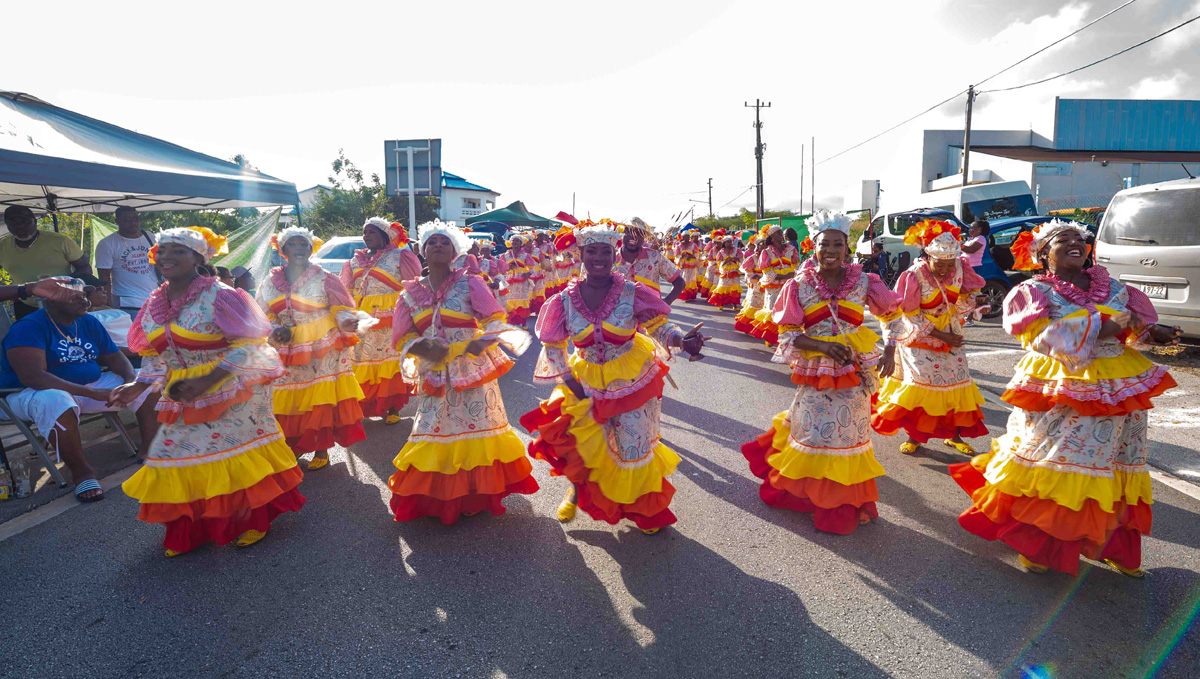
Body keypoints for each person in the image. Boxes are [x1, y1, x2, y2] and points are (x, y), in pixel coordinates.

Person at [949, 220, 1180, 577]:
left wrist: (1152, 333)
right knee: (1060, 462)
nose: (1076, 242)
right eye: (1063, 239)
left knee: (1119, 463)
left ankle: (1110, 545)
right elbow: (1040, 337)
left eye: (1080, 238)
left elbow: (1133, 330)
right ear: (1042, 253)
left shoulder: (1116, 287)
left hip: (1121, 389)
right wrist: (1105, 328)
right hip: (1061, 387)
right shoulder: (1033, 291)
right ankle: (1041, 545)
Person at [121, 227, 303, 557]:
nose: (167, 257)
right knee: (177, 457)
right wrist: (138, 384)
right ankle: (190, 529)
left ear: (198, 258)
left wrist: (208, 380)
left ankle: (252, 520)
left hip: (230, 390)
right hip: (181, 394)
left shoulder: (221, 295)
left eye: (179, 251)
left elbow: (250, 345)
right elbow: (156, 356)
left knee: (234, 456)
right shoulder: (153, 304)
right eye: (163, 250)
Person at [521, 222, 707, 535]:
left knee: (633, 445)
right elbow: (552, 350)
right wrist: (571, 384)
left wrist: (680, 341)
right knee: (580, 443)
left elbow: (660, 326)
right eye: (591, 251)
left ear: (614, 253)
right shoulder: (563, 301)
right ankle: (577, 493)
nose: (598, 257)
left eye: (605, 251)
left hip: (629, 379)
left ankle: (644, 510)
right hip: (582, 381)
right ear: (580, 253)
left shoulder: (632, 293)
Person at [741, 211, 902, 534]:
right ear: (812, 246)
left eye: (838, 244)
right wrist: (823, 347)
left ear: (847, 248)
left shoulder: (864, 281)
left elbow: (892, 315)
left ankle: (845, 502)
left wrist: (889, 349)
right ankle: (814, 497)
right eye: (823, 243)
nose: (830, 249)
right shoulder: (798, 285)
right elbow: (787, 335)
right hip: (818, 371)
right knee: (816, 433)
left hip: (855, 371)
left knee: (849, 435)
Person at [386, 221, 538, 523]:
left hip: (471, 371)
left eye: (445, 242)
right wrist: (423, 349)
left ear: (455, 251)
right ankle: (435, 495)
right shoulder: (408, 295)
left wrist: (482, 342)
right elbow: (400, 338)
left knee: (474, 428)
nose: (438, 247)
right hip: (434, 373)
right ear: (421, 251)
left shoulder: (470, 283)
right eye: (432, 243)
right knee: (433, 430)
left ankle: (474, 494)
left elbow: (495, 317)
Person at [0, 276, 159, 502]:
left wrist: (130, 380)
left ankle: (149, 449)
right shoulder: (28, 328)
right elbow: (34, 377)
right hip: (28, 392)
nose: (84, 300)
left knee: (148, 381)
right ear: (52, 301)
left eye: (84, 295)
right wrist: (93, 393)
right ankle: (82, 474)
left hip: (88, 387)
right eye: (75, 297)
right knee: (55, 400)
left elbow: (115, 357)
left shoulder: (88, 322)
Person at [871, 220, 989, 456]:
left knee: (955, 385)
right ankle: (915, 437)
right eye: (940, 264)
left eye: (949, 264)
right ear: (927, 256)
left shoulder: (959, 268)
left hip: (952, 336)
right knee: (921, 389)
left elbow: (963, 298)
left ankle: (953, 436)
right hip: (920, 339)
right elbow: (910, 314)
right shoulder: (913, 276)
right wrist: (939, 334)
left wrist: (977, 302)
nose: (945, 270)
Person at [258, 227, 370, 471]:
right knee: (288, 396)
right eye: (293, 244)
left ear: (310, 249)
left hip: (323, 344)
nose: (299, 249)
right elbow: (262, 312)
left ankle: (322, 448)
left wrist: (346, 321)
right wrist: (275, 328)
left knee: (320, 396)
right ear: (283, 249)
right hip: (286, 346)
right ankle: (292, 445)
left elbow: (340, 308)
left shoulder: (325, 277)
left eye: (304, 245)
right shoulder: (269, 282)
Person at [340, 218, 423, 425]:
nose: (367, 236)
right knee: (362, 361)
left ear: (384, 236)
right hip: (362, 319)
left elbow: (413, 286)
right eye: (365, 232)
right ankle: (364, 405)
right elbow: (347, 290)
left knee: (391, 361)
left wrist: (416, 316)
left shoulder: (400, 255)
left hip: (392, 316)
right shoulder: (353, 261)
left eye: (372, 232)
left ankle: (393, 407)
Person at [0, 206, 92, 319]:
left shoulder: (60, 241)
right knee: (30, 335)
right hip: (25, 305)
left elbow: (84, 267)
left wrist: (66, 285)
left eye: (25, 222)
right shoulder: (2, 247)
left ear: (35, 221)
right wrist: (10, 291)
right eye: (14, 223)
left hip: (63, 303)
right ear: (7, 225)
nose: (20, 227)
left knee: (65, 335)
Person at [96, 206, 158, 318]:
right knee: (133, 335)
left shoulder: (149, 236)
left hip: (153, 298)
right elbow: (104, 276)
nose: (132, 223)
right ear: (117, 221)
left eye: (135, 219)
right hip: (127, 301)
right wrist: (108, 303)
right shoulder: (107, 243)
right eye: (127, 220)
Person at [613, 218, 685, 303]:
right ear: (622, 234)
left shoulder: (655, 257)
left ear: (644, 238)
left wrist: (665, 303)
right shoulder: (611, 260)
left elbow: (680, 282)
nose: (634, 235)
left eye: (639, 233)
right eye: (629, 231)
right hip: (618, 314)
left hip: (651, 316)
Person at [750, 224, 800, 345]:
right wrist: (784, 276)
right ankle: (771, 337)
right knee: (773, 309)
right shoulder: (766, 252)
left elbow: (795, 265)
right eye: (778, 233)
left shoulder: (791, 249)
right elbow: (766, 271)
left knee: (788, 308)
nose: (781, 235)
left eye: (781, 232)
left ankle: (787, 336)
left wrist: (794, 277)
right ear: (771, 237)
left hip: (788, 285)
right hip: (773, 285)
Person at [734, 238, 767, 334]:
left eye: (766, 244)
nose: (764, 246)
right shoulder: (753, 258)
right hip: (756, 285)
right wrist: (754, 276)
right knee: (754, 303)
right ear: (758, 246)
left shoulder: (770, 256)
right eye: (762, 244)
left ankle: (761, 329)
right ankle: (748, 327)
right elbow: (746, 271)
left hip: (768, 285)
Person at [501, 234, 532, 325]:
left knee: (522, 301)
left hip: (522, 282)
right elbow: (501, 269)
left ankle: (523, 322)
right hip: (509, 281)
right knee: (510, 301)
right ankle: (511, 322)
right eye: (513, 241)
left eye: (517, 241)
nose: (514, 242)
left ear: (521, 243)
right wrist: (508, 267)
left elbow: (532, 269)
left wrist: (527, 274)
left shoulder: (525, 255)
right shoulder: (505, 255)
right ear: (510, 243)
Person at [708, 235, 743, 311]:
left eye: (730, 242)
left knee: (735, 288)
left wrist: (736, 259)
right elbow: (719, 263)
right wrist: (726, 261)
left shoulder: (737, 250)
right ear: (724, 243)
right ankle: (721, 304)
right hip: (725, 271)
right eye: (727, 242)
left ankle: (735, 304)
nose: (729, 243)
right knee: (723, 287)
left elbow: (741, 260)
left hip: (734, 271)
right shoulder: (721, 252)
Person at [675, 231, 702, 301]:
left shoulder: (693, 245)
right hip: (683, 265)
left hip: (691, 265)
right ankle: (685, 295)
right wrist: (682, 256)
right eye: (685, 236)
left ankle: (690, 295)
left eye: (687, 236)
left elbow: (697, 254)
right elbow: (676, 255)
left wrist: (692, 256)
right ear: (682, 237)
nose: (686, 238)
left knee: (691, 280)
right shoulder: (679, 245)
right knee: (684, 280)